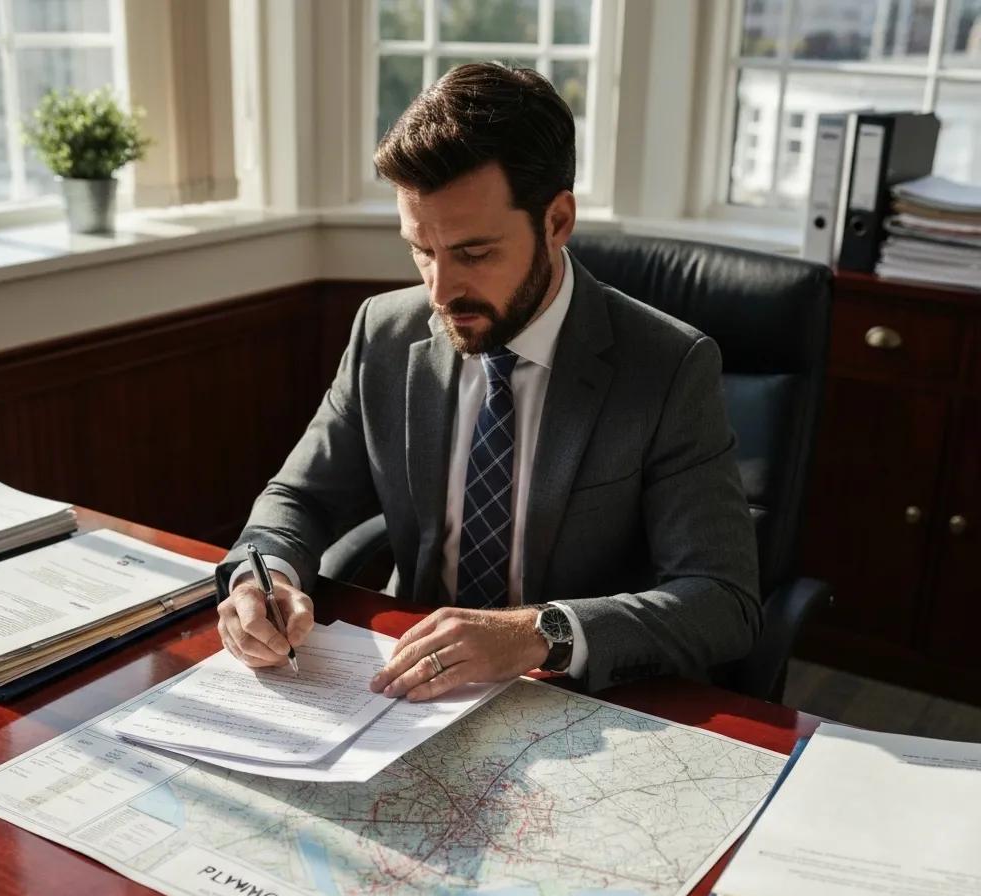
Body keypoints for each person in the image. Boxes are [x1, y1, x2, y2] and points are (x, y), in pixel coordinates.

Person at [216, 62, 760, 701]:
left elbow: (722, 601)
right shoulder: (384, 334)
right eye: (422, 250)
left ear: (557, 221)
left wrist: (540, 631)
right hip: (406, 689)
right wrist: (264, 579)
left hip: (576, 701)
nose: (440, 291)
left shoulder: (669, 365)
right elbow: (300, 499)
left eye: (474, 253)